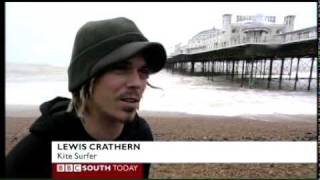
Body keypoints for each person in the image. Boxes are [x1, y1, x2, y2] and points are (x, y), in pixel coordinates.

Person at [6, 17, 167, 178]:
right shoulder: (38, 153)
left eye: (143, 72)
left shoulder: (140, 136)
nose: (136, 83)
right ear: (85, 78)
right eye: (120, 68)